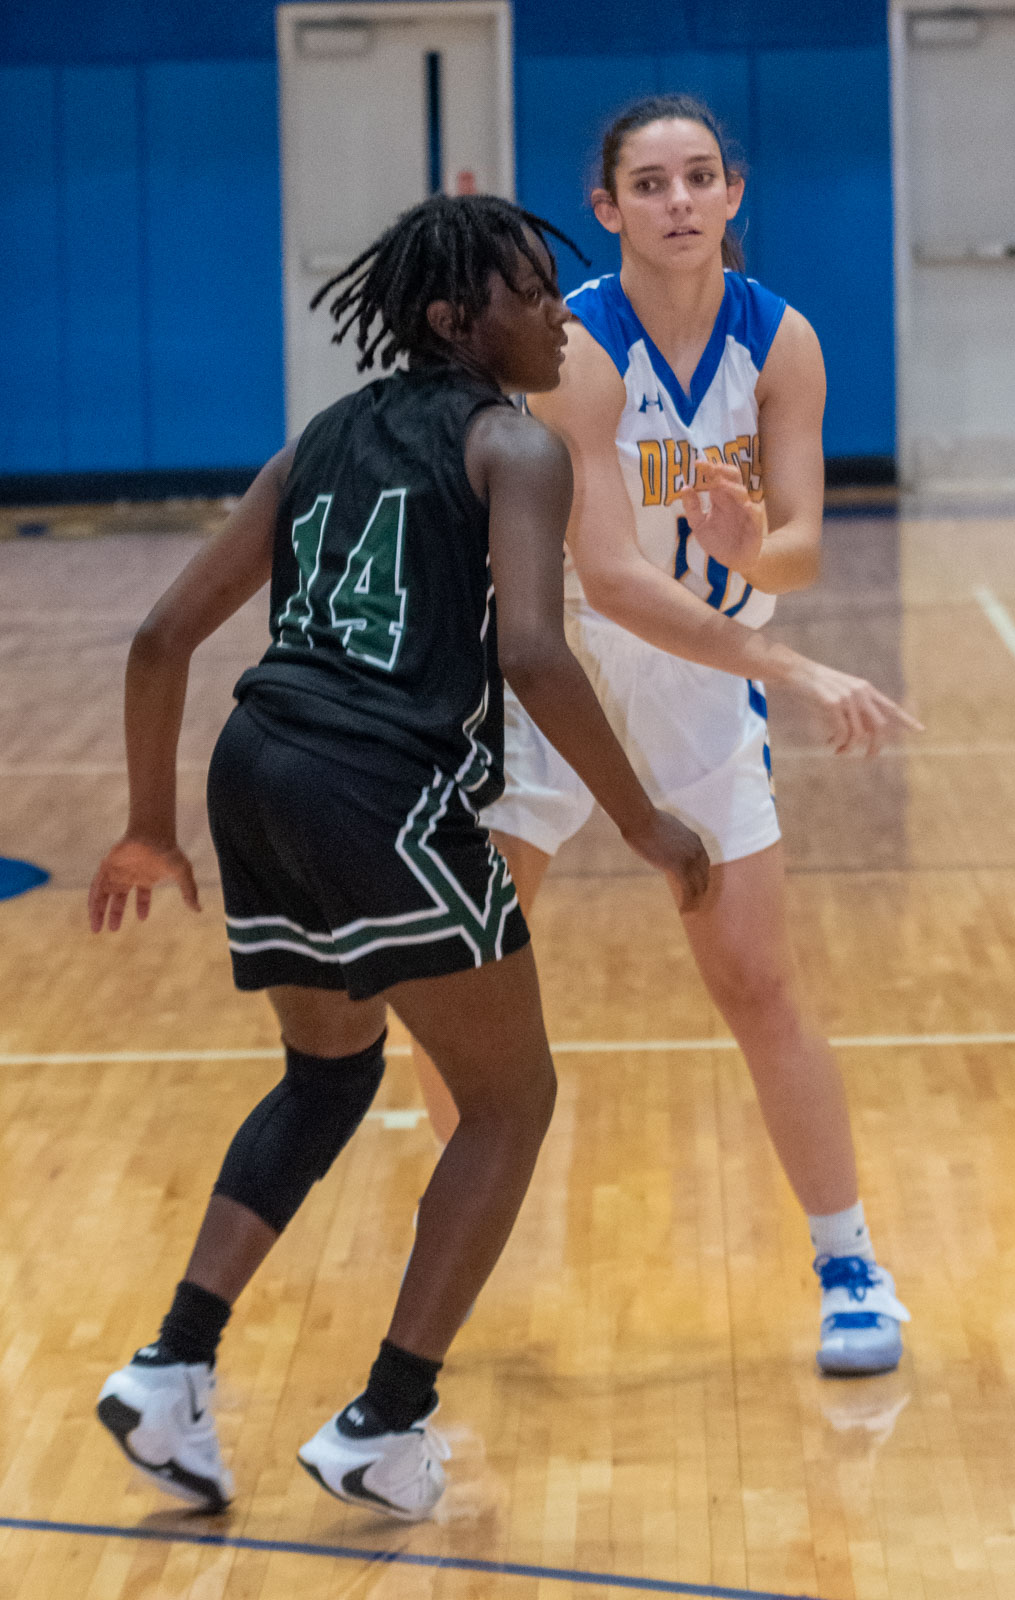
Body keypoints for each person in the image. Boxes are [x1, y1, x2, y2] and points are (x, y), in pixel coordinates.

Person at [87, 193, 708, 1522]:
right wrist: (647, 822)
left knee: (330, 1072)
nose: (556, 315)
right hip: (381, 788)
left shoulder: (314, 440)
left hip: (258, 768)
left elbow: (158, 639)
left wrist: (148, 825)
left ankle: (171, 1367)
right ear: (452, 317)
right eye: (529, 292)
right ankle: (385, 1421)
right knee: (512, 1102)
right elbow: (534, 653)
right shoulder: (514, 444)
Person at [411, 98, 923, 1377]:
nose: (680, 201)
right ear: (608, 207)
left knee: (756, 980)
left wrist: (757, 549)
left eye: (700, 177)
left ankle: (850, 1264)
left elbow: (800, 547)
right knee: (469, 974)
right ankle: (455, 1248)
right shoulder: (576, 348)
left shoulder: (781, 341)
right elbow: (613, 578)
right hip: (554, 665)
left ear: (733, 192)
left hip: (702, 681)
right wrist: (790, 663)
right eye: (651, 183)